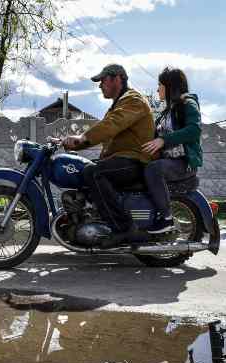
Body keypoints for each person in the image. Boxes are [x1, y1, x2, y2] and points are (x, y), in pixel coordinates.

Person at [62, 64, 154, 236]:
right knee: (84, 170)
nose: (100, 85)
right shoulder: (119, 104)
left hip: (134, 160)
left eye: (103, 80)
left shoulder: (133, 100)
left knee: (94, 173)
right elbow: (103, 132)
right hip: (121, 159)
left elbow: (111, 125)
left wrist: (82, 138)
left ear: (117, 79)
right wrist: (71, 143)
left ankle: (123, 229)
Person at [142, 67, 203, 234]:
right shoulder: (166, 112)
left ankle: (167, 218)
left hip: (182, 163)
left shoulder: (187, 104)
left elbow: (194, 130)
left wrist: (164, 140)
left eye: (160, 85)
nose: (157, 89)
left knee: (153, 169)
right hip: (169, 161)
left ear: (170, 87)